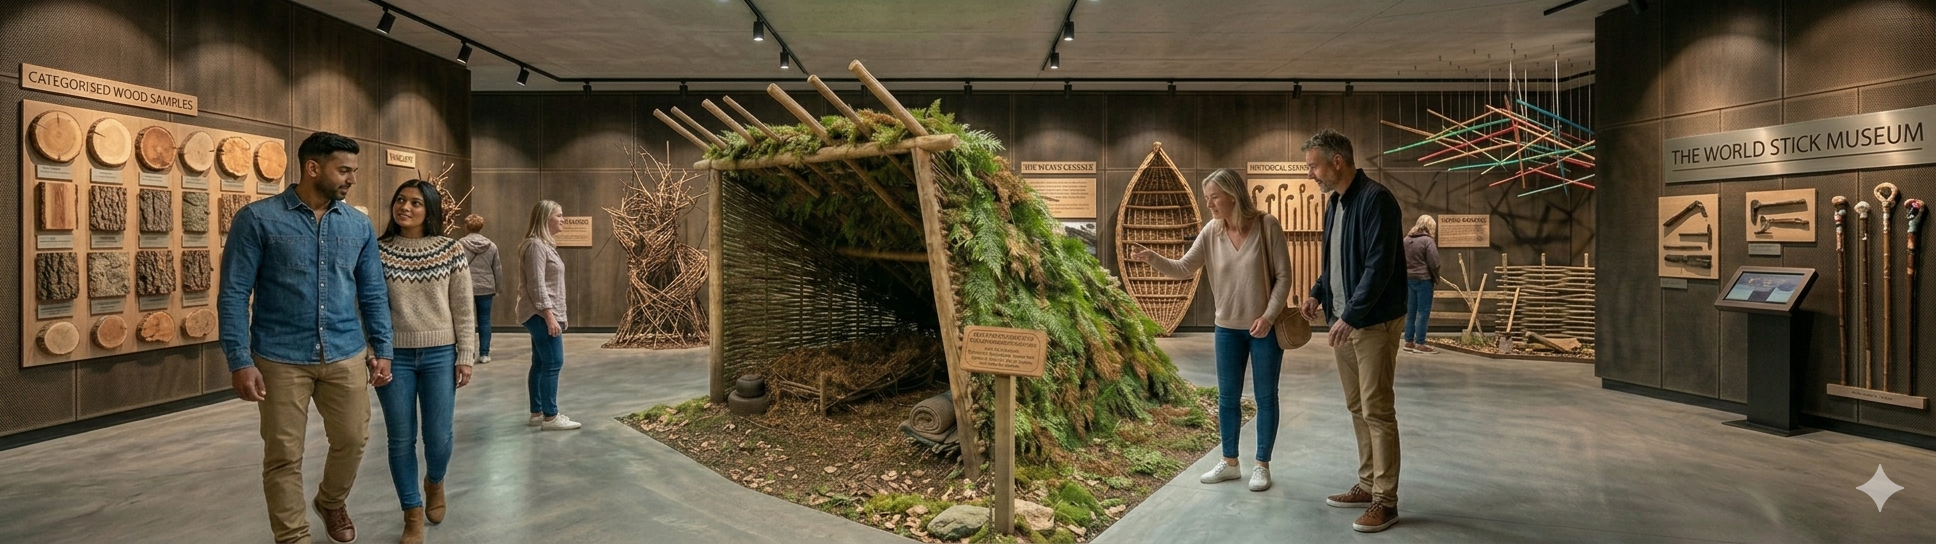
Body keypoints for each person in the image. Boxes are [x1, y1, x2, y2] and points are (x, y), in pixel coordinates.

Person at [219, 132, 392, 544]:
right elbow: (233, 292)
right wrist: (239, 360)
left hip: (345, 351)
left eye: (354, 170)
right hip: (279, 356)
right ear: (313, 168)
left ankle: (331, 501)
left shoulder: (357, 224)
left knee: (353, 439)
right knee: (283, 455)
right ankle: (293, 535)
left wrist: (382, 347)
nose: (351, 178)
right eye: (344, 170)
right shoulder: (258, 219)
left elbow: (372, 291)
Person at [1130, 168, 1292, 492]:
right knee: (1227, 398)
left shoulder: (1266, 226)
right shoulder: (1211, 232)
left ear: (1233, 194)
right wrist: (1152, 258)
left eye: (1213, 197)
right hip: (1227, 330)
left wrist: (1270, 316)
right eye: (1207, 198)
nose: (1209, 204)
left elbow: (1284, 277)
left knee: (1265, 397)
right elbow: (1183, 268)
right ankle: (1230, 462)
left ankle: (1262, 465)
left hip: (1264, 329)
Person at [1298, 129, 1409, 533]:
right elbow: (1336, 263)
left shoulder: (1376, 200)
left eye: (1314, 165)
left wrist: (1353, 315)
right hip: (1344, 321)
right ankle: (1367, 485)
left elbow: (1379, 266)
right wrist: (1317, 294)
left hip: (1372, 323)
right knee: (1358, 407)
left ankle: (1386, 501)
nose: (1312, 174)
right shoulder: (1335, 204)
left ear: (1337, 162)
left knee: (1378, 410)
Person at [375, 180, 478, 543]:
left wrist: (465, 355)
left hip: (440, 354)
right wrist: (375, 351)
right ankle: (412, 513)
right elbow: (368, 306)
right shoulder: (379, 250)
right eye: (400, 199)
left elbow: (464, 308)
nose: (405, 207)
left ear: (429, 210)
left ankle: (435, 481)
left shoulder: (450, 250)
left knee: (438, 436)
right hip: (394, 358)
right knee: (400, 439)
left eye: (415, 203)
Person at [518, 200, 580, 430]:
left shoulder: (544, 245)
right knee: (554, 362)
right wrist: (550, 316)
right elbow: (537, 286)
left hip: (545, 313)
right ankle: (550, 417)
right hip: (539, 314)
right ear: (546, 218)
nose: (563, 219)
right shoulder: (535, 246)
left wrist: (559, 313)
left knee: (541, 363)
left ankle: (537, 412)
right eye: (559, 215)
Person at [459, 214, 502, 364]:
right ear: (481, 227)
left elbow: (456, 268)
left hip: (465, 287)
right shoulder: (491, 246)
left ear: (466, 226)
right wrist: (498, 287)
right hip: (486, 287)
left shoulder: (460, 245)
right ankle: (484, 354)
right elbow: (497, 268)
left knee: (466, 321)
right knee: (484, 321)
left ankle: (468, 353)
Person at [1402, 215, 1440, 354]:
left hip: (1408, 279)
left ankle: (1409, 341)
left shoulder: (1406, 240)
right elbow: (1434, 262)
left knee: (1410, 312)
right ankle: (1420, 343)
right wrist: (1436, 277)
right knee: (1423, 312)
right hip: (1424, 280)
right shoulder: (1427, 241)